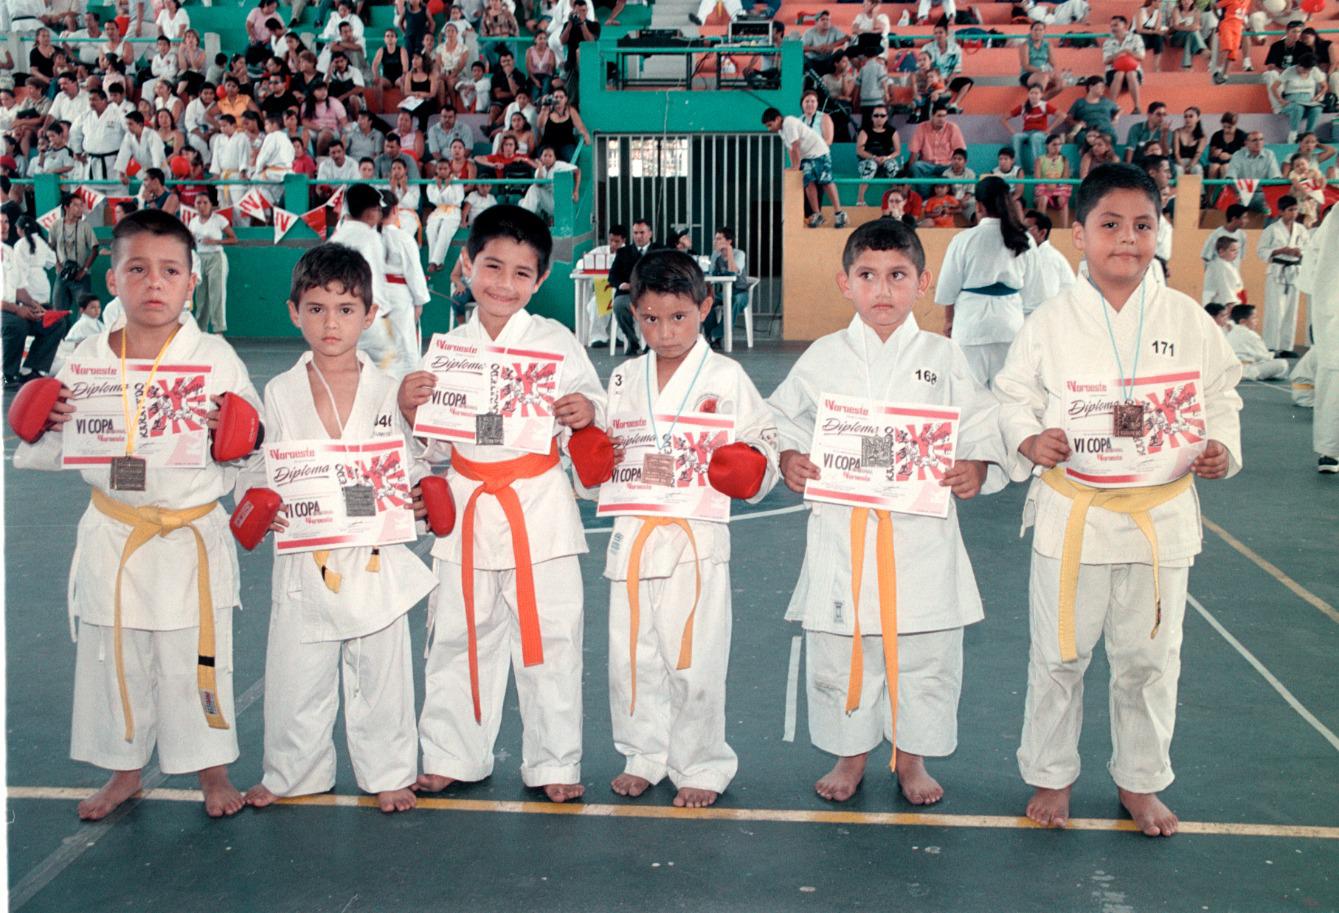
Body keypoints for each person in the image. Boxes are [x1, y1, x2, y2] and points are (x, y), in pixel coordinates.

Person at [993, 163, 1243, 837]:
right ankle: (1050, 772)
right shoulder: (1048, 321)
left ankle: (1140, 778)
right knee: (1058, 654)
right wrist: (1029, 437)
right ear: (1078, 234)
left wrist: (1219, 444)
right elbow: (1012, 395)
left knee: (1149, 657)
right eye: (1109, 225)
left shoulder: (1187, 318)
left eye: (1141, 225)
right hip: (1073, 511)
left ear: (1159, 230)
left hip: (1157, 516)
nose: (1126, 240)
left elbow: (1220, 396)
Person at [12, 208, 265, 821]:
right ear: (113, 277)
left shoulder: (215, 357)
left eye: (170, 270)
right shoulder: (86, 358)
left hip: (188, 535)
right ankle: (125, 771)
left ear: (191, 282)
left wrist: (235, 437)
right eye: (138, 269)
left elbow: (253, 444)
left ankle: (212, 771)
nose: (155, 283)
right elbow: (46, 448)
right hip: (116, 530)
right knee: (113, 654)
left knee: (199, 656)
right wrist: (47, 422)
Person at [766, 217, 1006, 805]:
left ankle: (912, 757)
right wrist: (789, 456)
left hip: (919, 535)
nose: (882, 290)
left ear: (923, 282)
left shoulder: (943, 357)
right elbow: (776, 419)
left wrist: (977, 468)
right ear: (845, 283)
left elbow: (981, 426)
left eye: (897, 276)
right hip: (843, 534)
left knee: (924, 653)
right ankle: (850, 754)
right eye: (867, 276)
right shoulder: (823, 356)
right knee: (842, 647)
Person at [396, 205, 605, 803]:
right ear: (466, 265)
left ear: (539, 282)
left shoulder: (555, 342)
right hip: (465, 506)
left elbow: (591, 412)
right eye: (491, 266)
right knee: (459, 637)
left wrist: (585, 411)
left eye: (520, 273)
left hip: (539, 508)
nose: (503, 284)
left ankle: (554, 762)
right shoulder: (447, 349)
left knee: (552, 642)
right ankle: (452, 755)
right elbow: (431, 445)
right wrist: (410, 406)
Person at [237, 243, 438, 815]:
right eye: (317, 308)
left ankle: (391, 772)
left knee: (384, 673)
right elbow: (258, 466)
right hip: (307, 554)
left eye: (346, 309)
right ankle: (292, 770)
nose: (331, 322)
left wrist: (421, 495)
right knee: (296, 672)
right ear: (293, 311)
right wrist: (257, 501)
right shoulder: (276, 392)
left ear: (371, 315)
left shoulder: (390, 389)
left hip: (373, 553)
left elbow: (411, 462)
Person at [581, 249, 780, 807]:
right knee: (631, 657)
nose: (664, 332)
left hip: (696, 537)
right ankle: (643, 754)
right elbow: (602, 464)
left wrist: (751, 467)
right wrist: (588, 456)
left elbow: (764, 439)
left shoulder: (726, 376)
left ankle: (701, 762)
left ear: (706, 308)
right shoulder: (622, 378)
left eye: (678, 317)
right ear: (632, 312)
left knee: (695, 656)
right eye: (649, 318)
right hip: (636, 533)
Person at [936, 177, 1041, 387]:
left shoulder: (964, 239)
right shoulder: (1025, 239)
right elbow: (1034, 295)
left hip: (971, 325)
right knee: (1007, 397)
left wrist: (949, 321)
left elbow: (948, 288)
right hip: (1010, 324)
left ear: (979, 206)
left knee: (969, 396)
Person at [329, 184, 397, 372]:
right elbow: (375, 280)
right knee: (387, 368)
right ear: (370, 212)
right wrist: (384, 311)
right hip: (368, 317)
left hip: (340, 319)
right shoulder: (370, 237)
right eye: (377, 209)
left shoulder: (336, 238)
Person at [1298, 200, 1339, 473]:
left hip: (1331, 306)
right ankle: (1330, 451)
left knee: (1332, 375)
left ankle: (1329, 451)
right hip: (1333, 306)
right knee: (1333, 374)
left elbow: (1313, 253)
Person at [1, 213, 64, 386]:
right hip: (6, 311)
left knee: (55, 323)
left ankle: (32, 370)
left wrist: (36, 307)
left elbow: (19, 288)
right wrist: (18, 309)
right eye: (0, 223)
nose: (4, 226)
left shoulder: (9, 251)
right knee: (17, 325)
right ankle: (9, 374)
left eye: (6, 222)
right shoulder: (19, 246)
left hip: (17, 305)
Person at [761, 107, 847, 229]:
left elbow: (796, 145)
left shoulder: (789, 122)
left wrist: (796, 166)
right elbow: (790, 149)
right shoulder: (782, 131)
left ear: (778, 118)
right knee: (808, 183)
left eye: (770, 125)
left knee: (826, 182)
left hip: (819, 152)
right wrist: (793, 166)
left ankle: (839, 213)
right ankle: (817, 214)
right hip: (806, 156)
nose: (770, 129)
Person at [1256, 194, 1308, 356]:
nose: (1294, 213)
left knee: (1291, 311)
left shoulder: (1301, 229)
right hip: (1277, 271)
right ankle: (1271, 345)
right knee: (1274, 309)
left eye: (1295, 210)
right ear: (1280, 211)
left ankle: (1286, 347)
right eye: (1290, 210)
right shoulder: (1271, 230)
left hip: (1294, 271)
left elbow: (1309, 249)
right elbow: (1261, 251)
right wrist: (1280, 250)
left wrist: (1300, 253)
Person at [188, 190, 236, 335]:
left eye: (205, 202)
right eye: (198, 203)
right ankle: (200, 330)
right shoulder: (193, 222)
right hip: (199, 258)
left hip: (216, 256)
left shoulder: (219, 220)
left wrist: (215, 241)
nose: (201, 206)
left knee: (217, 294)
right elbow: (190, 242)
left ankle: (218, 330)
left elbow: (234, 239)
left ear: (211, 205)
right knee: (200, 296)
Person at [610, 218, 660, 355]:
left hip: (653, 295)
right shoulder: (623, 252)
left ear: (650, 234)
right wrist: (621, 284)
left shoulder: (660, 251)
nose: (638, 236)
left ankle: (651, 344)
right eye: (636, 233)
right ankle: (633, 341)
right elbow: (612, 276)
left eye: (642, 232)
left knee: (657, 308)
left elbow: (667, 273)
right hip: (629, 295)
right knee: (619, 305)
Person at [50, 192, 98, 314]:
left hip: (80, 275)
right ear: (66, 207)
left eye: (81, 205)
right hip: (62, 274)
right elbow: (51, 247)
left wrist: (84, 270)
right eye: (76, 205)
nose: (80, 209)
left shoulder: (85, 226)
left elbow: (95, 249)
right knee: (57, 310)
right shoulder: (56, 225)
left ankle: (80, 334)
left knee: (84, 311)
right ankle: (62, 333)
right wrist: (58, 265)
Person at [701, 226, 749, 347]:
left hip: (740, 292)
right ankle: (713, 337)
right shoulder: (716, 256)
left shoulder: (739, 254)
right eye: (715, 239)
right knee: (706, 301)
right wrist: (715, 256)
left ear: (728, 241)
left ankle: (715, 335)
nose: (715, 242)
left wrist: (729, 251)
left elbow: (733, 271)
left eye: (718, 239)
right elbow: (711, 275)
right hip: (724, 293)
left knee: (735, 300)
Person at [1003, 84, 1060, 175]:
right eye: (1031, 93)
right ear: (1028, 94)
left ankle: (1038, 169)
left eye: (1036, 93)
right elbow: (1003, 119)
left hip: (1041, 133)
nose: (1033, 95)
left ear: (1041, 95)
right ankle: (1018, 170)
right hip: (1026, 133)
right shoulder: (1023, 107)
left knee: (1035, 137)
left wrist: (1049, 129)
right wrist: (1013, 132)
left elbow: (1062, 116)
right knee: (1016, 137)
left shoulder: (1044, 105)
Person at [1023, 209, 1075, 308]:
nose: (1022, 232)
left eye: (1027, 228)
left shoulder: (1049, 258)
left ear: (1042, 233)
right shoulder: (1028, 254)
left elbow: (1047, 297)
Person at [1226, 303, 1290, 380]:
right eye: (1254, 318)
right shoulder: (1250, 334)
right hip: (1246, 371)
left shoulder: (1231, 333)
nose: (1257, 321)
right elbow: (1264, 356)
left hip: (1232, 369)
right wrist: (1274, 354)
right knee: (1282, 363)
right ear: (1243, 321)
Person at [854, 105, 900, 207]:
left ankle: (895, 199)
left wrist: (887, 158)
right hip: (868, 161)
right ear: (872, 117)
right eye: (876, 115)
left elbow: (897, 151)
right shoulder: (865, 131)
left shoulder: (892, 131)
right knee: (871, 165)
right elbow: (859, 151)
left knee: (893, 166)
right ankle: (860, 200)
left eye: (882, 115)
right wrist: (873, 157)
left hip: (885, 161)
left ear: (887, 117)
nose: (879, 118)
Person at [425, 158, 465, 272]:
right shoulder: (433, 182)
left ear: (449, 169)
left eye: (445, 168)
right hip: (439, 211)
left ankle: (434, 262)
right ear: (436, 170)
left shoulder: (456, 181)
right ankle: (437, 261)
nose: (442, 171)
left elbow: (456, 200)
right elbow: (432, 199)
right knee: (431, 229)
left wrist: (447, 187)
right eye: (440, 169)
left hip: (453, 211)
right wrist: (438, 187)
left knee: (444, 231)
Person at [907, 103, 966, 179]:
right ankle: (923, 191)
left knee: (956, 167)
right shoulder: (921, 127)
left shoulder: (953, 128)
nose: (942, 119)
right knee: (916, 166)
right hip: (927, 165)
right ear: (932, 115)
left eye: (944, 116)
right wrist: (909, 171)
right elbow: (914, 152)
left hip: (947, 165)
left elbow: (960, 151)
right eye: (939, 116)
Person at [50, 293, 103, 375]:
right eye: (93, 308)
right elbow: (69, 347)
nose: (97, 310)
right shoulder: (80, 325)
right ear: (82, 310)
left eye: (99, 307)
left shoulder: (100, 324)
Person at [1102, 16, 1146, 114]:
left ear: (1125, 25)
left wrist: (1128, 52)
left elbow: (1141, 57)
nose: (1113, 28)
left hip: (1133, 70)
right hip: (1113, 71)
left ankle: (1137, 108)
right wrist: (1118, 54)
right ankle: (1112, 106)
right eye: (1112, 26)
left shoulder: (1136, 38)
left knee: (1131, 73)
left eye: (1116, 25)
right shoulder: (1108, 42)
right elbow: (1106, 60)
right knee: (1119, 73)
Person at [1033, 133, 1073, 226]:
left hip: (1059, 188)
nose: (1057, 147)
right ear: (1047, 146)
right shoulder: (1040, 160)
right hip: (1043, 189)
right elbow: (1037, 178)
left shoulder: (1064, 159)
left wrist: (1056, 185)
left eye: (1059, 144)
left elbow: (1065, 178)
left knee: (1063, 201)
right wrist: (1048, 184)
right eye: (1054, 144)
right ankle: (1041, 226)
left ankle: (1064, 231)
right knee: (1043, 199)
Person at [1202, 235, 1245, 305]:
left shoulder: (1229, 265)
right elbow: (1225, 287)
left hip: (1233, 300)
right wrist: (1230, 303)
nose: (1236, 253)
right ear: (1221, 251)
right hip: (1221, 303)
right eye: (1233, 250)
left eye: (1237, 251)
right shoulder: (1219, 266)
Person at [1201, 203, 1247, 268]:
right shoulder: (1216, 235)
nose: (1247, 221)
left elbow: (1240, 258)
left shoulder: (1242, 235)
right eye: (1244, 218)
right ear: (1234, 219)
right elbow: (1206, 257)